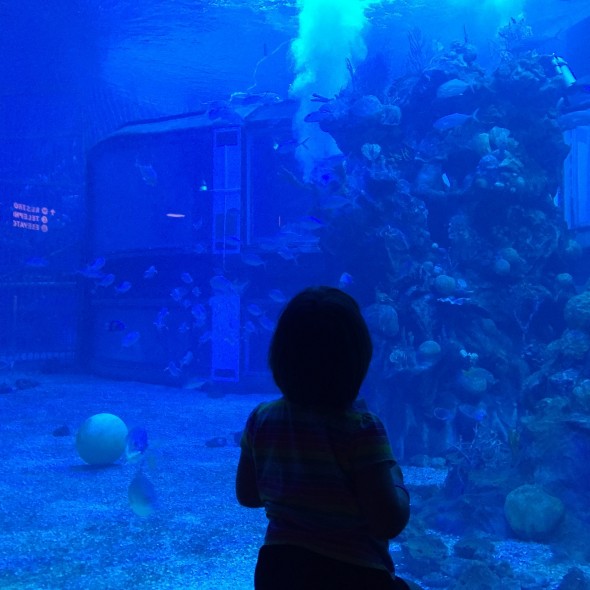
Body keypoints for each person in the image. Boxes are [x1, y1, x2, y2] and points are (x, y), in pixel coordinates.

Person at [236, 286, 420, 590]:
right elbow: (388, 522)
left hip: (278, 572)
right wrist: (397, 480)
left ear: (280, 356)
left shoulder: (262, 419)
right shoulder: (362, 430)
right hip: (353, 575)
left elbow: (248, 495)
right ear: (358, 361)